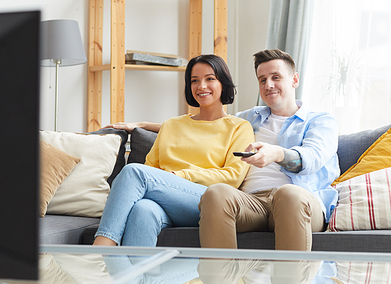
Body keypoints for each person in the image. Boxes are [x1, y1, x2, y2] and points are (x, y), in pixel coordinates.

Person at [107, 49, 340, 251]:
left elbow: (311, 158)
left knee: (288, 194)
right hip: (252, 203)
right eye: (262, 79)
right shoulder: (250, 118)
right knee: (164, 205)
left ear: (294, 80)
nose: (268, 85)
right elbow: (206, 124)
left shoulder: (320, 121)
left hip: (298, 199)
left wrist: (277, 153)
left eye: (276, 77)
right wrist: (141, 126)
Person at [93, 54, 254, 247]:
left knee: (133, 171)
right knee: (143, 210)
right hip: (165, 199)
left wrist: (181, 175)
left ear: (223, 83)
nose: (201, 86)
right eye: (195, 81)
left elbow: (233, 176)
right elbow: (151, 167)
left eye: (210, 79)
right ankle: (134, 276)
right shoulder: (171, 125)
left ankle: (100, 250)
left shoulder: (239, 127)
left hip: (207, 201)